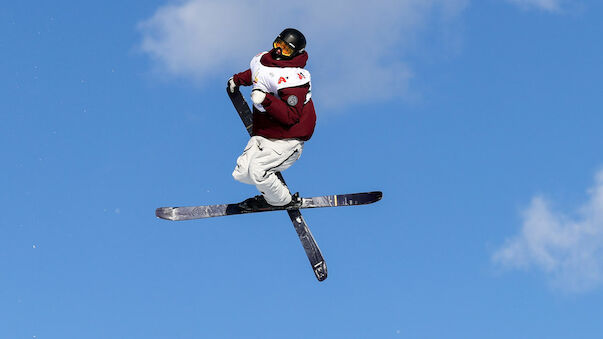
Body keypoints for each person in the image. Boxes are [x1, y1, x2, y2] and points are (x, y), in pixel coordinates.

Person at [227, 28, 316, 210]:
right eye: (278, 44)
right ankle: (270, 195)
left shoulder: (294, 80)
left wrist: (266, 100)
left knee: (258, 171)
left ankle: (284, 200)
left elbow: (291, 116)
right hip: (265, 133)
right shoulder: (263, 60)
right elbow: (257, 74)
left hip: (289, 139)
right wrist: (237, 80)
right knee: (242, 173)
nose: (278, 51)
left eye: (285, 50)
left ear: (295, 54)